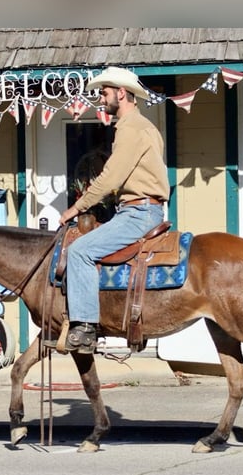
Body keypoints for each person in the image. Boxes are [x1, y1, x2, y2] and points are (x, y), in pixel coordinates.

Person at [58, 66, 170, 354]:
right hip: (143, 209)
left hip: (138, 213)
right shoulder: (145, 127)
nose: (101, 98)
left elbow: (111, 178)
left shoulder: (130, 128)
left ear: (122, 93)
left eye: (105, 92)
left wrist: (75, 208)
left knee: (80, 250)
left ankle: (84, 328)